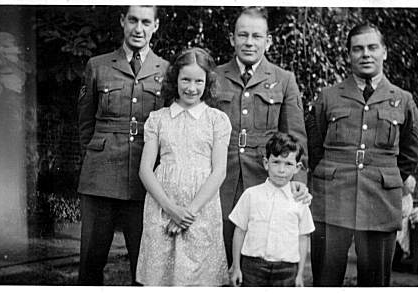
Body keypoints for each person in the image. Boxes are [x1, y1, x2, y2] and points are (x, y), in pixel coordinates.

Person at [308, 23, 418, 286]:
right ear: (349, 55)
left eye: (372, 47)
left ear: (384, 52)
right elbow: (314, 148)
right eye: (357, 49)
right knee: (325, 278)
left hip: (380, 201)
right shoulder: (328, 97)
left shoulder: (403, 100)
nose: (365, 54)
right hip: (333, 200)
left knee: (375, 282)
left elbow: (411, 152)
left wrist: (386, 176)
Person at [77, 6, 169, 285]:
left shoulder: (166, 70)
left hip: (144, 180)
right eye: (132, 20)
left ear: (155, 25)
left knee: (143, 266)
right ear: (122, 22)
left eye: (145, 22)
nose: (138, 29)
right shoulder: (98, 65)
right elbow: (85, 123)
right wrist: (96, 158)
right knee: (91, 261)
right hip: (100, 177)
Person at [215, 6, 311, 267]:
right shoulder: (214, 77)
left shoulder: (284, 80)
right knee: (220, 256)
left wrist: (298, 179)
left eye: (256, 36)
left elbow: (295, 136)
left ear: (267, 41)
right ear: (232, 38)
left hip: (264, 181)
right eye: (242, 35)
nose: (248, 42)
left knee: (260, 257)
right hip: (221, 182)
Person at [135, 47, 231, 286]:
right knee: (160, 277)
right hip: (162, 207)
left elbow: (219, 171)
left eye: (198, 81)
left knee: (198, 277)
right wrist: (171, 210)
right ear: (175, 79)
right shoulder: (158, 119)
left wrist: (188, 213)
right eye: (185, 79)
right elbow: (145, 170)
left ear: (207, 83)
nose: (191, 87)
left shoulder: (216, 120)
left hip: (200, 210)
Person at [229, 132, 315, 287]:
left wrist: (300, 274)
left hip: (287, 268)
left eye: (288, 164)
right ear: (266, 163)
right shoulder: (251, 195)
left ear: (297, 168)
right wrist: (236, 267)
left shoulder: (299, 200)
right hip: (253, 266)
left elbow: (303, 237)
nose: (281, 170)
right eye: (276, 162)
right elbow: (239, 231)